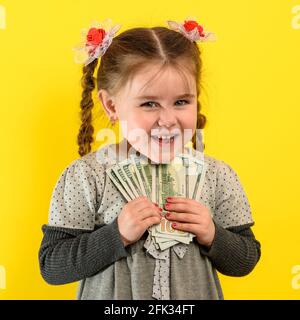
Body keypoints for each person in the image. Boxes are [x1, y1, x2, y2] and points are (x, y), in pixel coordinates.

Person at [38, 18, 261, 300]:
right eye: (149, 103)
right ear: (111, 105)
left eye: (181, 101)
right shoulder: (86, 176)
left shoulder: (217, 175)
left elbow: (246, 260)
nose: (167, 120)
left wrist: (212, 234)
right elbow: (52, 265)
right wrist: (116, 234)